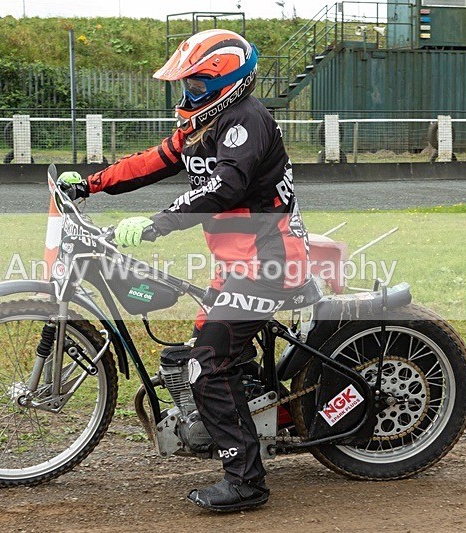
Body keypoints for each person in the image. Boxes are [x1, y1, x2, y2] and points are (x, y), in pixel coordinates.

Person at [58, 29, 309, 512]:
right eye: (186, 85)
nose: (187, 94)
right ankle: (256, 415)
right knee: (206, 352)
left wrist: (156, 224)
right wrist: (91, 184)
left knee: (206, 365)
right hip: (238, 262)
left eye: (195, 86)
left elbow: (225, 186)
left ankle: (246, 482)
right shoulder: (204, 125)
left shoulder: (247, 121)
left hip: (267, 263)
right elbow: (153, 161)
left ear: (227, 82)